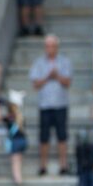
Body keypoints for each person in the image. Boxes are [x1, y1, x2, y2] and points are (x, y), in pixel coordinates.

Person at [29, 34, 72, 176]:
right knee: (44, 137)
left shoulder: (65, 61)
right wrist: (48, 77)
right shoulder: (38, 63)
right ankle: (43, 166)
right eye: (48, 46)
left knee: (62, 136)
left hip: (60, 104)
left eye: (53, 46)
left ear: (57, 47)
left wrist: (57, 76)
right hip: (45, 105)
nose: (50, 49)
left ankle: (63, 165)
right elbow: (35, 84)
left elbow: (67, 82)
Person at [2, 90, 27, 186]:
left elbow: (1, 118)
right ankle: (18, 178)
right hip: (22, 141)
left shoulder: (9, 117)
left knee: (15, 163)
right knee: (18, 161)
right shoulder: (21, 116)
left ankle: (18, 180)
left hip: (15, 142)